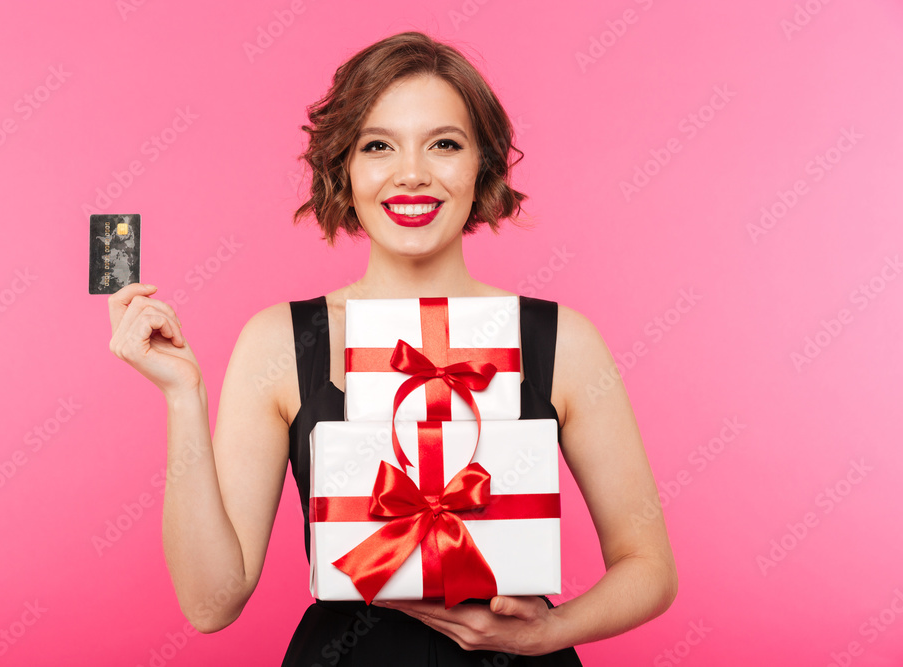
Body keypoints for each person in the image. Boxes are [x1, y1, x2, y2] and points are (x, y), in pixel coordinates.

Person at [108, 31, 677, 665]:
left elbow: (649, 567)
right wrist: (181, 396)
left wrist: (550, 630)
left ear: (482, 166)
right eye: (378, 145)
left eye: (444, 144)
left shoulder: (560, 340)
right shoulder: (281, 342)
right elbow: (211, 603)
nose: (412, 173)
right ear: (342, 170)